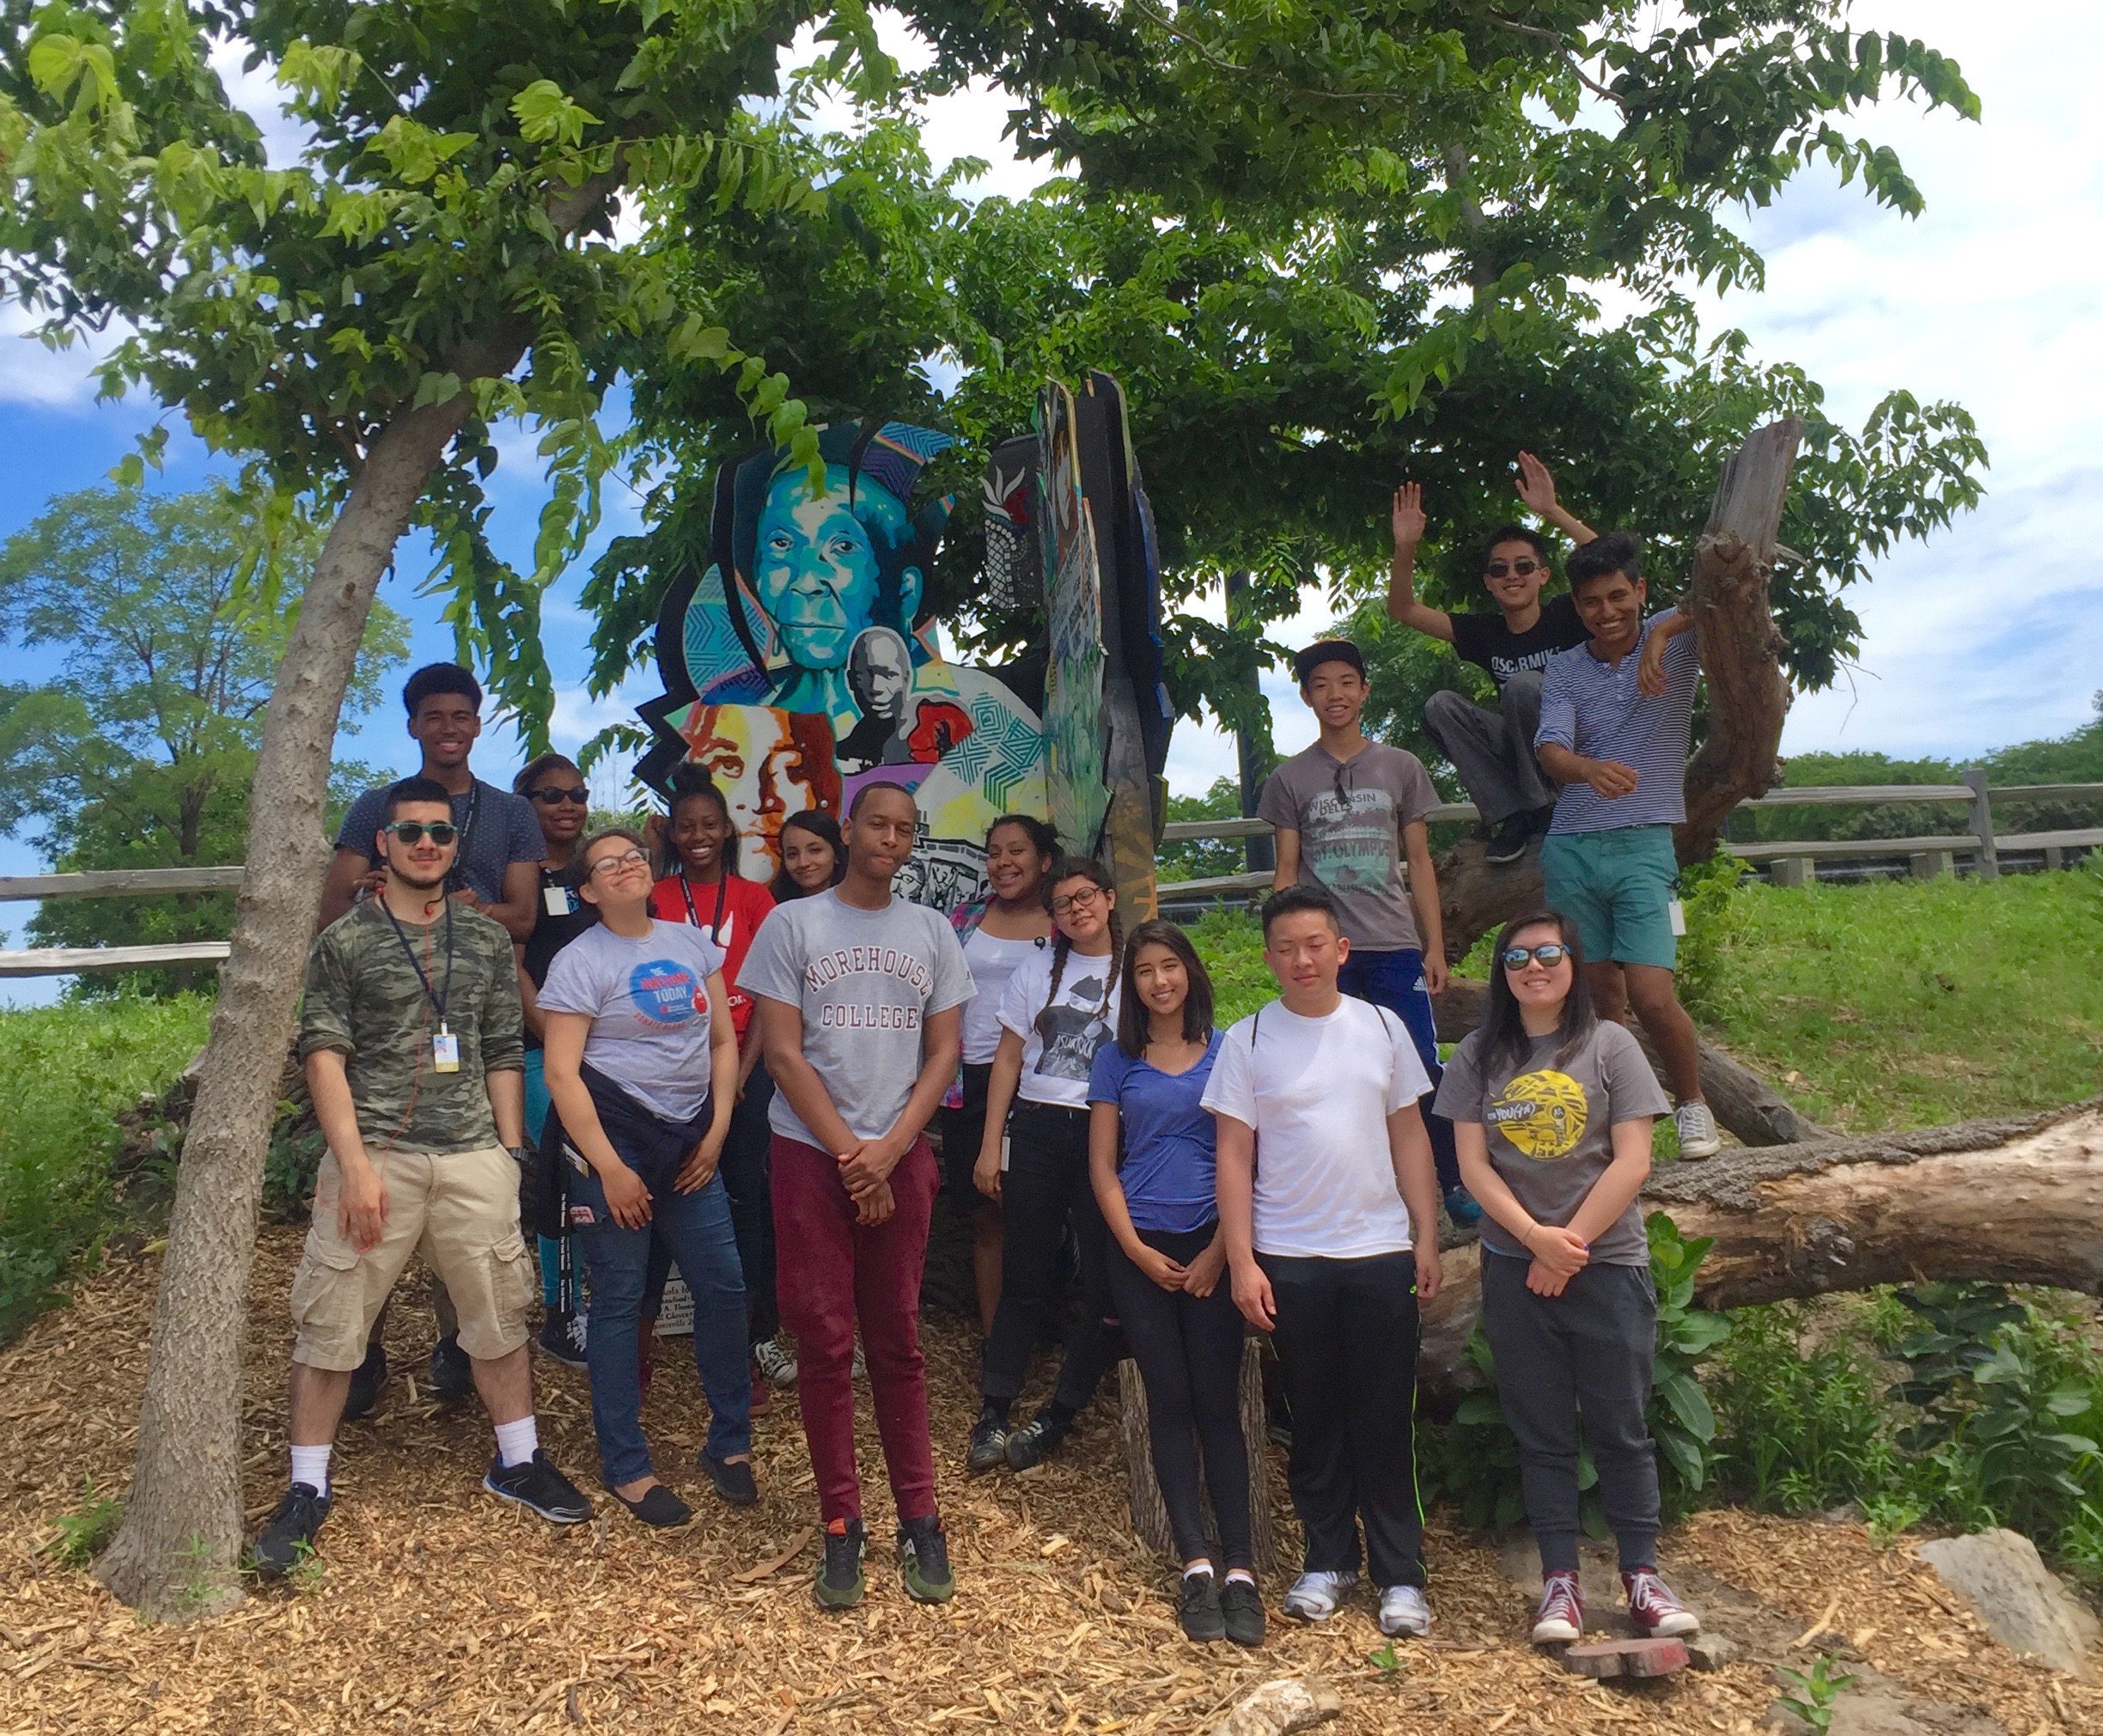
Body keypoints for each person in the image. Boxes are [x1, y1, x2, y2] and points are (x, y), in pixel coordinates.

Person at [253, 778, 590, 1576]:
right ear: (385, 842)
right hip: (377, 1155)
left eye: (440, 832)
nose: (427, 844)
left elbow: (504, 1046)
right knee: (334, 1321)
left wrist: (510, 1155)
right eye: (411, 833)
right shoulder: (345, 942)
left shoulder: (480, 939)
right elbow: (322, 1054)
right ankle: (306, 1487)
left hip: (473, 1152)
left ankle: (517, 1457)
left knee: (499, 1312)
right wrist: (356, 1164)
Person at [740, 781, 973, 1610]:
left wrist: (892, 1149)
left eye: (906, 829)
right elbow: (781, 1054)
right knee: (826, 1344)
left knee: (899, 1342)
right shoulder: (793, 924)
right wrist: (853, 1157)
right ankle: (843, 1521)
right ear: (848, 832)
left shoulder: (932, 930)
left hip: (900, 1152)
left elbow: (944, 1051)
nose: (892, 838)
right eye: (878, 823)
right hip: (814, 1156)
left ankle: (920, 1514)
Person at [1437, 911, 1701, 1644]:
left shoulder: (1611, 1043)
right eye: (1517, 955)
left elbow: (1633, 1161)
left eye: (1549, 952)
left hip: (1607, 1263)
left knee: (1620, 1425)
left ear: (1572, 961)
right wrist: (1533, 1240)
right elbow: (1471, 1166)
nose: (1534, 965)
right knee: (1543, 1430)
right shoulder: (1478, 1054)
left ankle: (1642, 1574)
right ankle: (1560, 1581)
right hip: (1516, 1264)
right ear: (1502, 971)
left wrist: (1570, 1245)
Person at [1205, 884, 1442, 1640]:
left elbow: (1410, 1136)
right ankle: (1328, 1557)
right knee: (1313, 1414)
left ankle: (1401, 1574)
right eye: (1286, 947)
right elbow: (1234, 1157)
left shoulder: (1381, 1026)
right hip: (1290, 1254)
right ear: (1269, 957)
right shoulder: (1245, 1040)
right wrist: (1242, 1261)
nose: (1301, 959)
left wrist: (1425, 1234)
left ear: (1341, 950)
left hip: (1377, 1249)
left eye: (1316, 944)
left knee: (1384, 1414)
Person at [320, 663, 548, 1411]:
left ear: (478, 724)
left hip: (474, 1004)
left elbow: (523, 916)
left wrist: (461, 914)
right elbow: (336, 905)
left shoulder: (511, 811)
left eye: (461, 715)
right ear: (414, 724)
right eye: (433, 715)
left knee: (467, 1202)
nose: (449, 728)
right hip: (390, 1019)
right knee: (375, 1200)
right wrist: (385, 906)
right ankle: (359, 1354)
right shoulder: (375, 806)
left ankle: (460, 1347)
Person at [539, 827, 757, 1526]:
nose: (629, 865)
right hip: (613, 1151)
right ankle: (627, 1464)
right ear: (589, 890)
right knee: (620, 1300)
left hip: (693, 1141)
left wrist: (719, 1126)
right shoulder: (579, 961)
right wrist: (609, 1169)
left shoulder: (690, 943)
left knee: (723, 1286)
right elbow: (561, 1072)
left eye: (634, 855)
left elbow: (723, 1039)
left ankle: (728, 1441)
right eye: (610, 863)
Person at [1088, 921, 1263, 1648]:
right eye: (1145, 970)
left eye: (1171, 966)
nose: (1160, 980)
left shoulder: (1230, 1052)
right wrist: (1132, 1248)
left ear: (1190, 971)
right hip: (1142, 1247)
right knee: (1170, 1397)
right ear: (1131, 985)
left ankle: (1243, 1571)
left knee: (1218, 1401)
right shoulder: (1115, 1059)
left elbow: (1251, 1160)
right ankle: (1195, 1562)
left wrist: (1224, 1250)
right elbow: (1102, 1164)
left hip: (1215, 1245)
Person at [1258, 638, 1472, 1225]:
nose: (1336, 694)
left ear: (1365, 691)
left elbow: (1420, 862)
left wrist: (1433, 946)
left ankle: (1454, 1182)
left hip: (1393, 943)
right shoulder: (1290, 778)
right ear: (1305, 696)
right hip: (1322, 951)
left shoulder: (1400, 767)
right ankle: (1357, 1188)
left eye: (1347, 682)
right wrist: (1281, 949)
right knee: (1333, 1070)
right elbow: (1285, 870)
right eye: (1321, 684)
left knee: (1419, 1065)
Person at [1533, 533, 1722, 1160]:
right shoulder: (1564, 666)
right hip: (1574, 845)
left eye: (1619, 595)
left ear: (1641, 591)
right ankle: (1621, 1116)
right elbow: (1551, 747)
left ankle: (1693, 1103)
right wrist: (1586, 769)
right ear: (1576, 604)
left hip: (1646, 845)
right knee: (1596, 995)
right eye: (1591, 601)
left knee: (1651, 992)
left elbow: (1720, 596)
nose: (1607, 611)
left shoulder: (1676, 637)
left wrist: (1663, 636)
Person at [967, 856, 1125, 1475]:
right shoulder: (1038, 970)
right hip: (1035, 1127)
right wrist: (989, 1144)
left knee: (1101, 1278)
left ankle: (1058, 1411)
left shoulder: (1137, 969)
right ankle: (994, 1408)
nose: (1077, 909)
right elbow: (1007, 1060)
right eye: (1063, 903)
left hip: (1105, 1133)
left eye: (1085, 896)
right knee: (1024, 1271)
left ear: (1109, 898)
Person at [649, 773, 794, 1403]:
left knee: (746, 1201)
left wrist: (741, 1074)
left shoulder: (756, 899)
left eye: (710, 824)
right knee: (657, 1198)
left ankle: (750, 1342)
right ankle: (638, 1342)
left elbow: (767, 995)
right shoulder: (652, 896)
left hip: (745, 1068)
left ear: (727, 830)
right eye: (687, 826)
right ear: (672, 834)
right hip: (667, 1073)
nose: (699, 836)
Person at [1385, 455, 1597, 864]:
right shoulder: (1484, 632)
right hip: (1523, 754)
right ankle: (1515, 816)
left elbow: (1610, 562)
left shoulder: (1568, 615)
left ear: (1543, 575)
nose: (1511, 576)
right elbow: (1403, 609)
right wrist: (1405, 546)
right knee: (1439, 706)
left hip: (1576, 753)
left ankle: (1548, 805)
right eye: (1499, 569)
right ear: (1489, 581)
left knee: (1523, 686)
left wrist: (1553, 512)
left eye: (1523, 566)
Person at [943, 814, 1058, 1336]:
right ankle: (996, 1339)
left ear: (1045, 861)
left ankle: (1038, 1330)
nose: (1004, 862)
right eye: (994, 852)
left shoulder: (1065, 924)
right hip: (972, 1078)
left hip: (1040, 1081)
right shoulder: (963, 919)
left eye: (1017, 851)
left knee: (1035, 1212)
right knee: (986, 1211)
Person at [513, 753, 598, 1367]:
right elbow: (513, 964)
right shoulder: (516, 874)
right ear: (526, 803)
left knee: (598, 1170)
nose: (567, 804)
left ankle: (596, 1297)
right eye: (551, 795)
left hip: (607, 1048)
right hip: (544, 1046)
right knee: (560, 1173)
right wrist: (559, 1038)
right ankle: (559, 1307)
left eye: (577, 793)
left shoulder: (598, 869)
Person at [838, 627, 917, 770]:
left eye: (888, 674)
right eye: (864, 675)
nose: (876, 687)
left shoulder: (934, 742)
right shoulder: (842, 756)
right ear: (851, 680)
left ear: (907, 678)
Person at [769, 808, 845, 905]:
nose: (803, 863)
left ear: (837, 854)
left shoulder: (860, 905)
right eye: (792, 854)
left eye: (815, 850)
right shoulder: (773, 908)